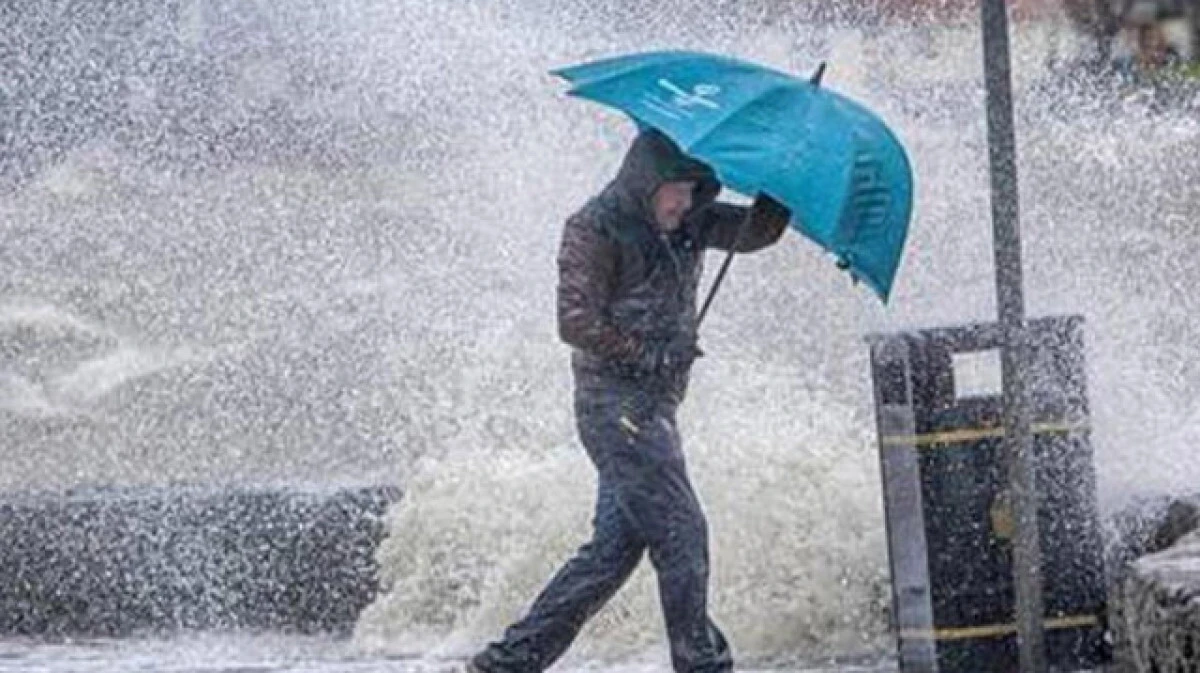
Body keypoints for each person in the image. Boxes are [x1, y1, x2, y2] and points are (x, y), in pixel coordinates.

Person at [467, 129, 790, 673]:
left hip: (655, 409)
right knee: (683, 533)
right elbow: (574, 322)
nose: (685, 203)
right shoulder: (594, 227)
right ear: (647, 182)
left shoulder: (691, 222)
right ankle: (702, 665)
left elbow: (757, 231)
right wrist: (649, 355)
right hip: (614, 408)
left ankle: (506, 664)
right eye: (677, 190)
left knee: (611, 554)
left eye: (694, 191)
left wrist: (780, 179)